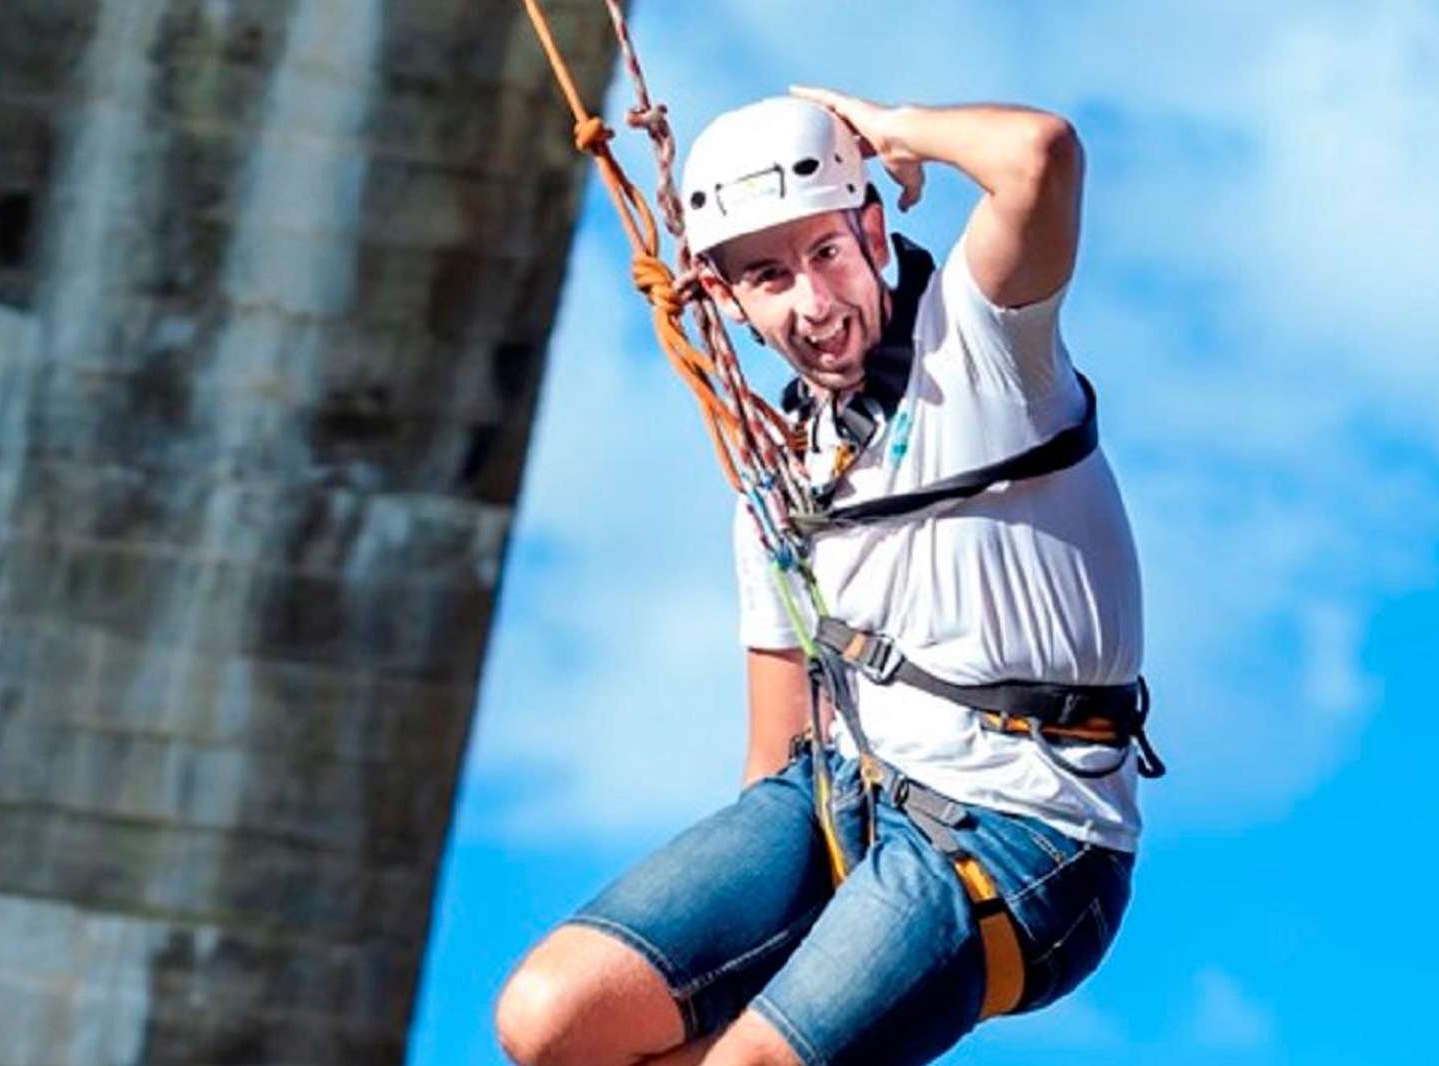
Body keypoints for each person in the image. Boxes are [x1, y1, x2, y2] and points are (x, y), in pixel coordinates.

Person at [493, 85, 1158, 1066]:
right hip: (843, 797)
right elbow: (775, 760)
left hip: (1029, 835)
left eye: (827, 253)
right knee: (548, 1021)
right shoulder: (773, 489)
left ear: (874, 231)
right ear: (725, 298)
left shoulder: (979, 350)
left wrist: (885, 130)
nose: (812, 303)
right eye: (767, 275)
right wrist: (762, 956)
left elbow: (1039, 154)